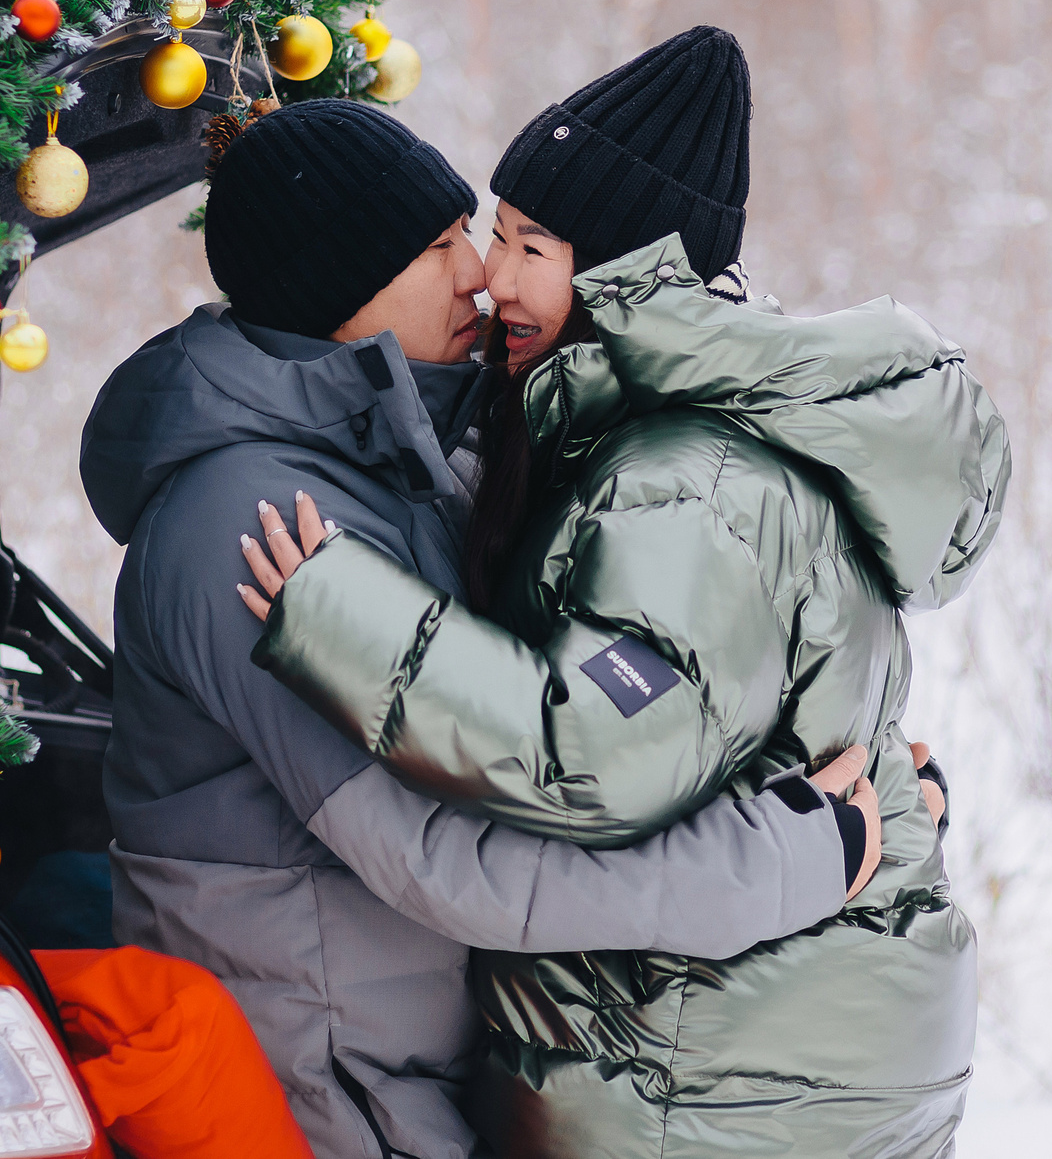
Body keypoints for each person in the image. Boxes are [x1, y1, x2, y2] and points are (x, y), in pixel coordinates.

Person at [240, 27, 1012, 1159]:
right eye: (495, 238)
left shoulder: (685, 484)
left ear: (626, 279)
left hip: (719, 1062)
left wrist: (340, 617)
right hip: (761, 1035)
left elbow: (594, 752)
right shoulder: (637, 440)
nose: (494, 277)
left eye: (529, 246)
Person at [79, 97, 890, 1159]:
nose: (476, 273)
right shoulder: (256, 528)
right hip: (310, 1086)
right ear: (338, 288)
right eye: (437, 246)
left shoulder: (400, 462)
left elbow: (556, 725)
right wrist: (778, 862)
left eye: (472, 233)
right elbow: (444, 857)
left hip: (400, 1061)